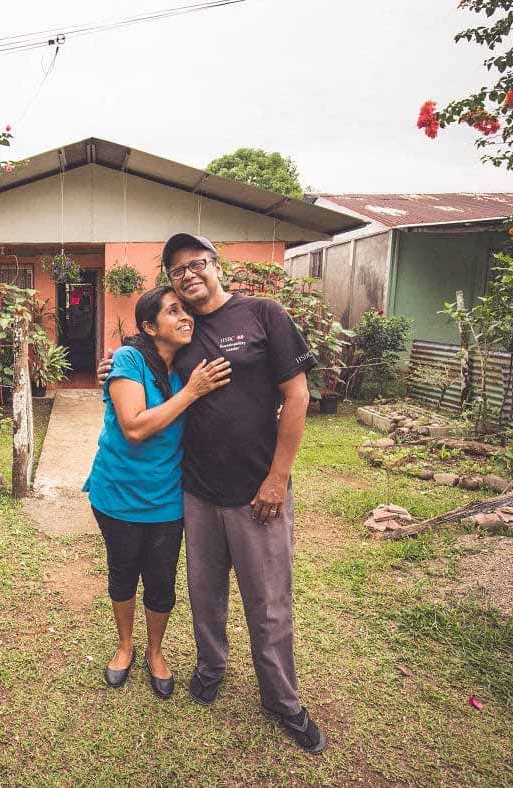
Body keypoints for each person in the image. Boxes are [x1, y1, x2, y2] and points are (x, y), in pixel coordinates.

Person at [97, 233, 326, 753]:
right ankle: (210, 669)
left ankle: (283, 700)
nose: (188, 275)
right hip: (195, 492)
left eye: (196, 263)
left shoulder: (263, 315)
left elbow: (297, 395)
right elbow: (143, 358)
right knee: (205, 595)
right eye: (177, 271)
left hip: (256, 490)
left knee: (268, 603)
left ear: (216, 264)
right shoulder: (184, 332)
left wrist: (278, 477)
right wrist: (113, 367)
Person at [83, 286, 231, 698]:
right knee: (123, 571)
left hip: (167, 496)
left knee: (162, 580)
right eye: (173, 311)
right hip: (118, 492)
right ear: (150, 327)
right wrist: (191, 392)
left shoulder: (187, 365)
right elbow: (133, 427)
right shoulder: (130, 359)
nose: (185, 317)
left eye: (186, 310)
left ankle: (155, 651)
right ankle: (125, 645)